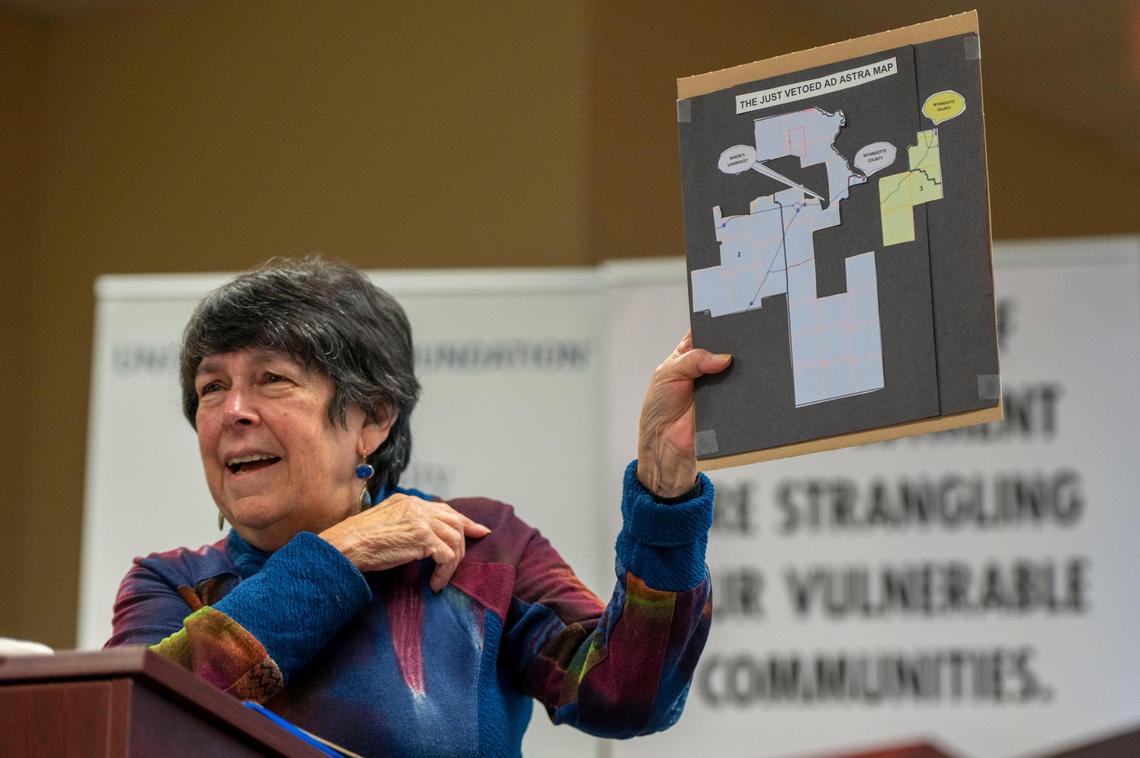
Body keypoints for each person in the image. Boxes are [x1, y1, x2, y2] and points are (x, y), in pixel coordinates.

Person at [107, 257, 732, 757]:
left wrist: (665, 488)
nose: (234, 410)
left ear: (373, 418)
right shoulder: (169, 586)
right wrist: (337, 555)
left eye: (273, 378)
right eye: (212, 387)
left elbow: (626, 694)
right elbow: (130, 725)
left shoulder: (482, 547)